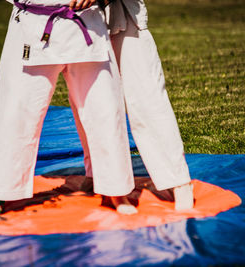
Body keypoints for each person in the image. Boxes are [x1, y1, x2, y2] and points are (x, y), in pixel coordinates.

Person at [0, 0, 138, 217]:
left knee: (104, 109)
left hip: (88, 23)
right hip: (32, 24)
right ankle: (1, 192)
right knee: (18, 112)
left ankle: (115, 189)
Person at [70, 0, 194, 210]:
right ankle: (98, 173)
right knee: (90, 99)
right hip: (76, 18)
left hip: (123, 14)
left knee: (146, 95)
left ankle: (178, 180)